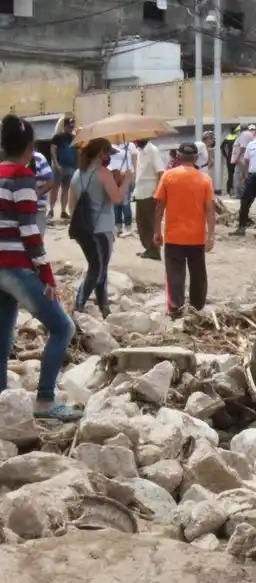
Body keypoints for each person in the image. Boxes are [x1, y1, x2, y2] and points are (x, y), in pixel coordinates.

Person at [0, 115, 81, 422]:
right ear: (31, 147)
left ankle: (2, 400)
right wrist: (46, 274)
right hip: (15, 267)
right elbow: (30, 232)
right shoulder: (21, 176)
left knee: (3, 335)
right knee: (62, 327)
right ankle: (46, 402)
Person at [152, 142, 216, 319]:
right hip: (196, 237)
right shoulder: (205, 179)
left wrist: (157, 230)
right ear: (196, 158)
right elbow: (210, 210)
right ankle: (197, 308)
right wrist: (211, 235)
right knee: (198, 274)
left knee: (175, 274)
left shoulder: (168, 176)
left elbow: (159, 206)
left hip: (174, 236)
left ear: (178, 156)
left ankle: (175, 308)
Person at [69, 139, 132, 316]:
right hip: (102, 229)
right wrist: (126, 181)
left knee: (99, 267)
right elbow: (118, 198)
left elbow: (71, 206)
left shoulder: (77, 174)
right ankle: (78, 306)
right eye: (107, 154)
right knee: (98, 269)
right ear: (100, 154)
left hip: (83, 230)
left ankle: (103, 306)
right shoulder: (103, 173)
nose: (109, 157)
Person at [133, 137, 166, 261]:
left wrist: (158, 192)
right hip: (140, 192)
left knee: (150, 223)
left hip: (150, 192)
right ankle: (149, 248)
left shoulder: (153, 150)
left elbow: (160, 172)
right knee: (142, 223)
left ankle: (154, 250)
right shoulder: (140, 152)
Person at [49, 116, 77, 220]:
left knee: (66, 189)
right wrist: (56, 164)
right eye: (69, 126)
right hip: (59, 166)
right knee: (55, 188)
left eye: (72, 126)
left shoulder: (74, 138)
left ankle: (63, 211)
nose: (71, 128)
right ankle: (51, 209)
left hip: (70, 167)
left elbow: (77, 152)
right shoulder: (57, 137)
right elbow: (53, 151)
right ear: (65, 126)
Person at [108, 140, 137, 236]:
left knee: (125, 202)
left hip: (125, 176)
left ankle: (128, 225)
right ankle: (118, 225)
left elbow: (134, 162)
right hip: (113, 176)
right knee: (116, 202)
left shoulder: (130, 145)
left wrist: (134, 176)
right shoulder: (110, 145)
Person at [31, 150, 54, 235]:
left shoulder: (38, 158)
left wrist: (37, 195)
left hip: (38, 207)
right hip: (17, 209)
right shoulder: (9, 158)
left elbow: (51, 181)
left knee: (37, 241)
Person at [231, 124, 256, 198]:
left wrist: (236, 158)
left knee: (238, 176)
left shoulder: (244, 135)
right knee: (245, 176)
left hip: (241, 159)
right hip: (247, 159)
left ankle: (238, 194)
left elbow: (242, 148)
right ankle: (246, 193)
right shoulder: (250, 135)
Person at [221, 126, 239, 195]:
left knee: (230, 175)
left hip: (229, 158)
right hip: (236, 158)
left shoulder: (227, 137)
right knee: (237, 174)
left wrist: (226, 155)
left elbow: (221, 147)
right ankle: (236, 190)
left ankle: (229, 190)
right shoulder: (237, 138)